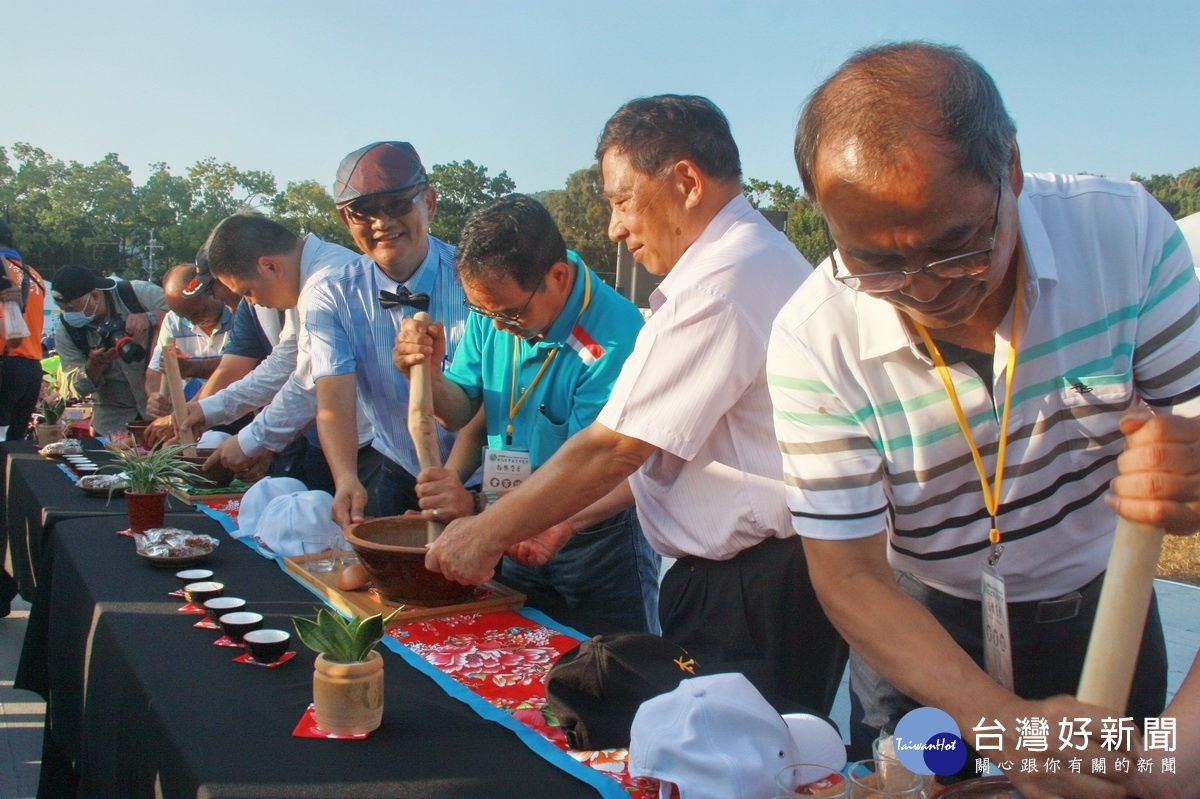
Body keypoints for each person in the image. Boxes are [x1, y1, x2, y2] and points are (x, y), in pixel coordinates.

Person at [767, 42, 1200, 797]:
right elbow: (850, 574)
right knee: (917, 784)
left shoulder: (1124, 238)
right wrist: (1003, 723)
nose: (924, 290)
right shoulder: (814, 337)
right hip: (921, 632)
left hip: (1102, 619)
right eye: (876, 264)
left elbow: (1190, 443)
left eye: (956, 249)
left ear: (1013, 169)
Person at [420, 97, 846, 715]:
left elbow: (618, 446)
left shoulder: (719, 287)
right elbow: (660, 447)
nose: (615, 228)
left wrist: (486, 532)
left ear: (686, 181)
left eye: (622, 201)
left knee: (735, 760)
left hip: (752, 591)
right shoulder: (749, 262)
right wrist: (560, 520)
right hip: (755, 582)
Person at [395, 194, 660, 632]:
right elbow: (461, 412)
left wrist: (478, 507)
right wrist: (425, 373)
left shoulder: (614, 337)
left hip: (592, 540)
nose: (498, 327)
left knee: (609, 666)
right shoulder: (495, 304)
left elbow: (597, 470)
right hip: (509, 524)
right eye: (483, 312)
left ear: (556, 277)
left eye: (510, 316)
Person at [305, 141, 469, 524]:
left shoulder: (475, 278)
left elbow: (494, 395)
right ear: (346, 221)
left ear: (428, 202)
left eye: (397, 204)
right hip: (399, 472)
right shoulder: (332, 296)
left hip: (479, 476)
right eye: (362, 211)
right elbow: (334, 400)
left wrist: (453, 482)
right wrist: (345, 477)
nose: (381, 223)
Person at [181, 214, 382, 496]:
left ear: (270, 266)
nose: (250, 302)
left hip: (379, 449)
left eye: (247, 291)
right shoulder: (305, 279)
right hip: (356, 443)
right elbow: (284, 362)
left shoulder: (326, 282)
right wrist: (208, 408)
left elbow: (311, 381)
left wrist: (250, 440)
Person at [51, 264, 168, 435]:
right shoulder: (67, 331)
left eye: (72, 307)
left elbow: (186, 315)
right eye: (63, 309)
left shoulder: (135, 293)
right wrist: (94, 365)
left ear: (95, 295)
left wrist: (151, 317)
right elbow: (73, 389)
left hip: (161, 410)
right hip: (113, 420)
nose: (69, 314)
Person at [144, 263, 237, 418]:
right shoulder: (173, 321)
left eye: (199, 312)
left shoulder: (238, 313)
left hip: (237, 414)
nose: (193, 322)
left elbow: (239, 367)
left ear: (211, 291)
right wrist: (157, 399)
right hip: (195, 415)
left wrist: (189, 368)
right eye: (185, 317)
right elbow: (155, 372)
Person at [0, 217, 47, 441]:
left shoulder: (3, 271)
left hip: (5, 365)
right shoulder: (33, 275)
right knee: (15, 448)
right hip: (31, 370)